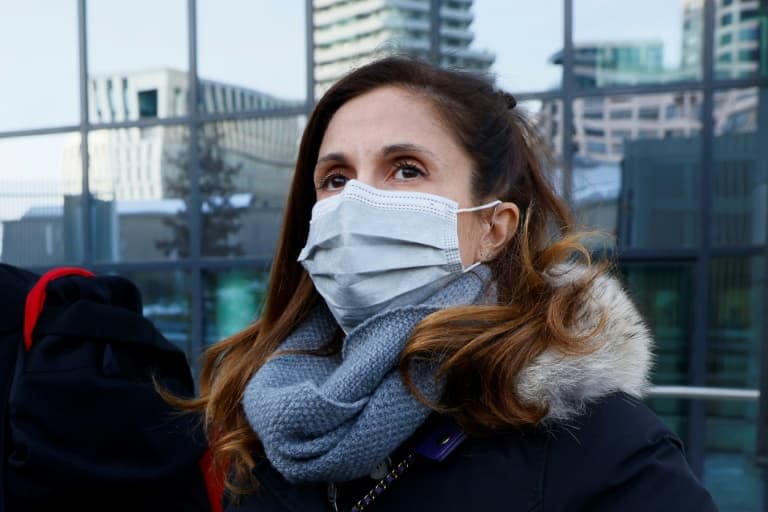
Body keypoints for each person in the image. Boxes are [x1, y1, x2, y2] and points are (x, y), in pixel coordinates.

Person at [182, 57, 717, 511]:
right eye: (336, 179)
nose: (355, 203)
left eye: (406, 169)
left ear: (493, 228)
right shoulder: (265, 412)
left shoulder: (601, 446)